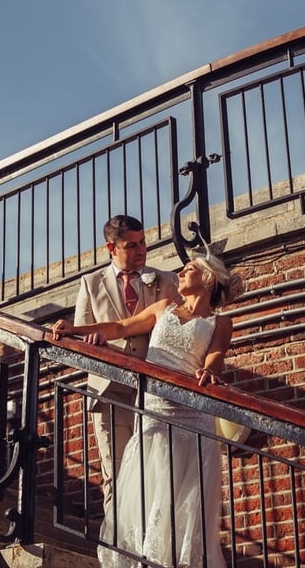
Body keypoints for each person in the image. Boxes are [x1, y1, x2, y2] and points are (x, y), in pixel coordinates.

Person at [54, 253, 244, 567]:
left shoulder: (220, 322)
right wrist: (74, 329)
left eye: (189, 269)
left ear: (208, 279)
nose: (180, 272)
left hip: (192, 416)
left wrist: (210, 371)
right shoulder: (163, 308)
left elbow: (216, 354)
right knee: (150, 491)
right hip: (155, 410)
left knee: (185, 501)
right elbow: (121, 326)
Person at [73, 215, 181, 519]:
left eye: (143, 242)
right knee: (116, 474)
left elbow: (183, 326)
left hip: (155, 391)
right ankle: (117, 543)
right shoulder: (90, 284)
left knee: (156, 473)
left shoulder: (167, 281)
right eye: (131, 246)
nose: (141, 250)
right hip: (109, 391)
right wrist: (93, 342)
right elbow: (79, 339)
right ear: (112, 247)